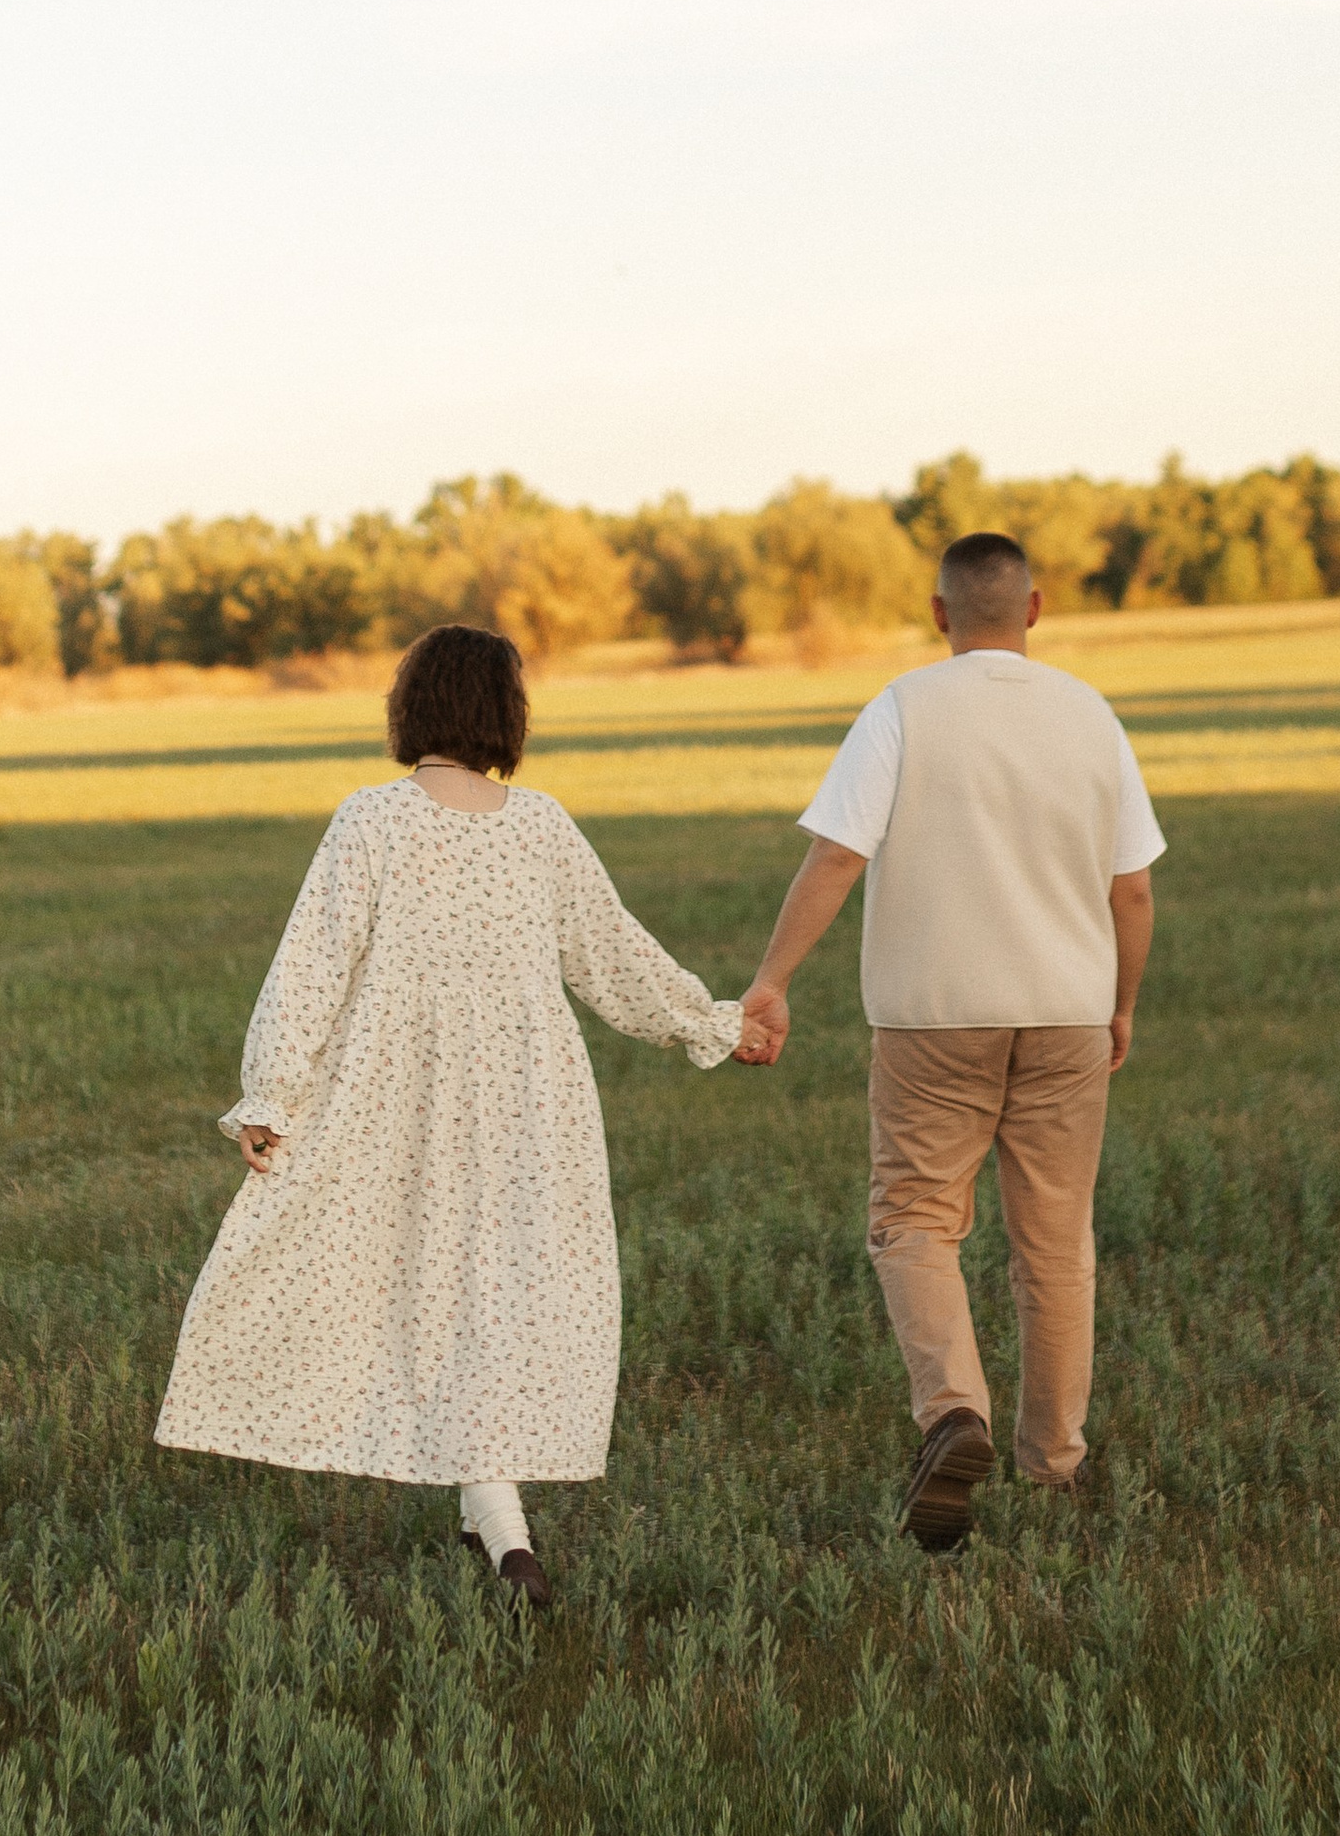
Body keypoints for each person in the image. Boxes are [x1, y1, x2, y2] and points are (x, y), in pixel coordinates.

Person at [155, 621, 772, 1604]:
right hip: (528, 1104)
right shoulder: (540, 827)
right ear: (504, 714)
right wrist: (714, 1024)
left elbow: (309, 968)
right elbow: (614, 960)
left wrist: (271, 1093)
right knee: (491, 1293)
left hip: (395, 1095)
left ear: (414, 708)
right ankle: (501, 1525)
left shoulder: (370, 820)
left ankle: (491, 1517)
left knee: (394, 1285)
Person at [738, 531, 1163, 1553]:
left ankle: (952, 1415)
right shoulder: (1090, 715)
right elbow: (1133, 888)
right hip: (1067, 1007)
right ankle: (1053, 1462)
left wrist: (771, 981)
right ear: (1035, 607)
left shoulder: (901, 709)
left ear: (939, 615)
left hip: (933, 1015)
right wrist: (1122, 1004)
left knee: (917, 1221)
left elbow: (838, 855)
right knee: (1054, 1242)